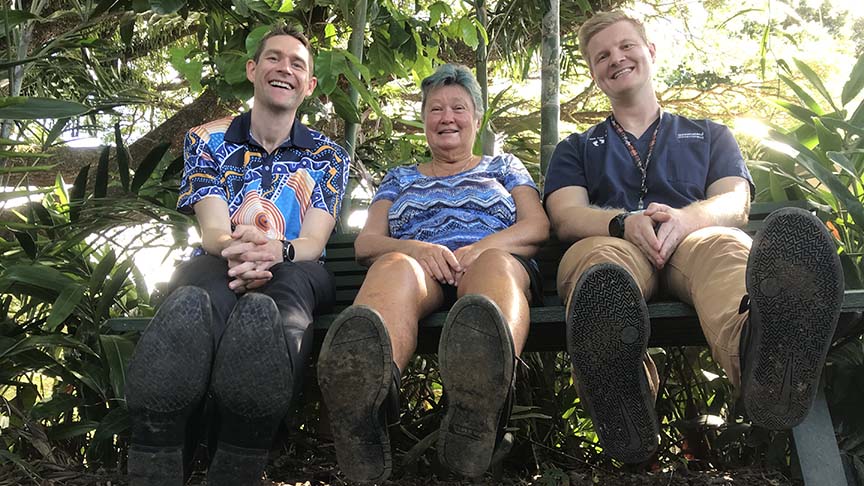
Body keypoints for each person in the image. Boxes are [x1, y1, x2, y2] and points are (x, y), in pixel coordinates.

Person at [544, 11, 843, 464]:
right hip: (613, 243)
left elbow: (734, 202)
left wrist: (684, 221)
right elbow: (566, 216)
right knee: (599, 271)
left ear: (651, 52)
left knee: (726, 251)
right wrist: (622, 223)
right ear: (594, 75)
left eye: (626, 46)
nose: (616, 59)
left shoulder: (710, 134)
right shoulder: (578, 147)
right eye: (602, 56)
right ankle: (623, 392)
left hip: (694, 242)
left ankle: (761, 354)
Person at [124, 24, 350, 486]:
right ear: (252, 69)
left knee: (277, 302)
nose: (284, 68)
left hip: (298, 264)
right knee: (200, 294)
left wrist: (275, 250)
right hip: (221, 256)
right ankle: (160, 439)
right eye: (274, 58)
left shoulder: (329, 155)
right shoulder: (206, 139)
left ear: (309, 86)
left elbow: (312, 242)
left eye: (297, 64)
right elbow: (212, 230)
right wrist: (241, 251)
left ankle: (243, 443)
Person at [316, 63, 549, 482]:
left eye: (458, 108)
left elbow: (536, 226)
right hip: (421, 275)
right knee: (393, 265)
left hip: (492, 263)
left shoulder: (504, 166)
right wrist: (416, 248)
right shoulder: (399, 178)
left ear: (477, 119)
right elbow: (367, 243)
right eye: (435, 110)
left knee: (492, 274)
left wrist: (479, 248)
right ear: (423, 121)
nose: (447, 118)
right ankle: (366, 402)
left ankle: (482, 401)